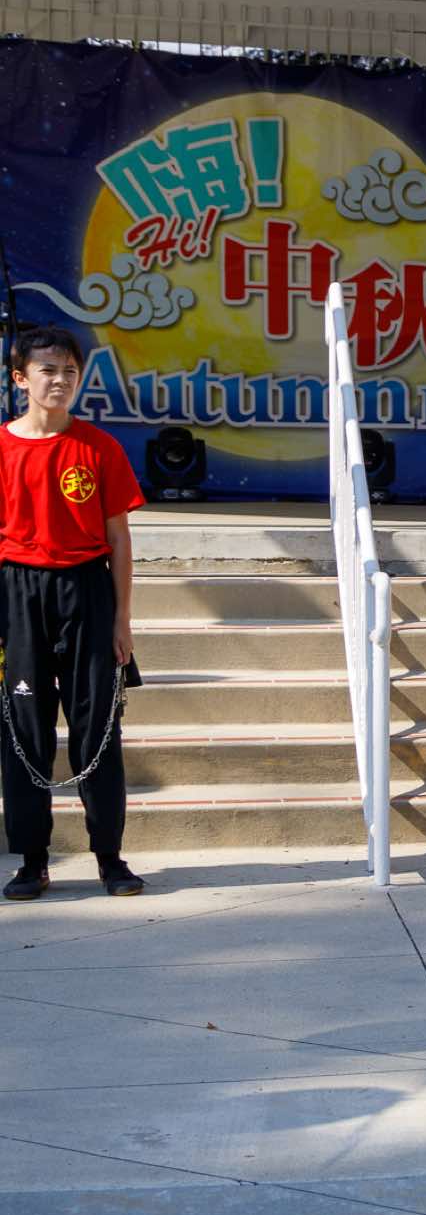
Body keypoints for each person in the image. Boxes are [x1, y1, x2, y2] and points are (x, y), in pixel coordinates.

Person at [0, 326, 147, 902]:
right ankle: (32, 861)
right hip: (17, 592)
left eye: (69, 371)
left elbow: (119, 537)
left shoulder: (98, 447)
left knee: (98, 729)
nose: (59, 381)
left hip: (86, 591)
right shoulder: (3, 447)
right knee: (22, 731)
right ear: (21, 378)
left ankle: (110, 857)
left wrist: (122, 619)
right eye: (47, 371)